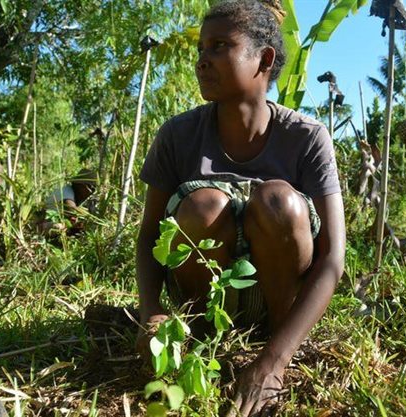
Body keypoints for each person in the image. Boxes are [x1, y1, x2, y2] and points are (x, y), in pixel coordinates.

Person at [135, 1, 345, 415]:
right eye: (201, 49)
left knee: (278, 201)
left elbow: (332, 259)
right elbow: (148, 234)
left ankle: (273, 334)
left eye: (218, 47)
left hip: (277, 306)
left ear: (263, 60)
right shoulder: (177, 136)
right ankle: (199, 332)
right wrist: (151, 310)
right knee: (204, 205)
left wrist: (273, 363)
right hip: (202, 302)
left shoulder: (307, 138)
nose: (202, 60)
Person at [41, 169, 97, 235]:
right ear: (80, 185)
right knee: (59, 227)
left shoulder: (75, 195)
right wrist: (93, 215)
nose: (91, 192)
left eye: (93, 189)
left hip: (53, 224)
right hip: (44, 226)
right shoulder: (66, 192)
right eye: (90, 187)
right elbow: (72, 210)